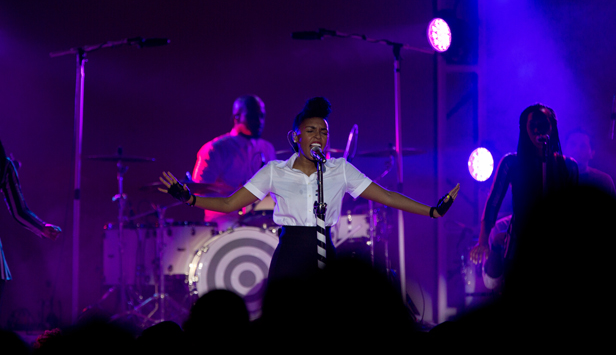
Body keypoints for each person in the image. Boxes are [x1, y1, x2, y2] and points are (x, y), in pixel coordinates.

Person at [161, 97, 460, 283]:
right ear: (296, 137)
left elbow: (388, 196)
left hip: (324, 249)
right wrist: (189, 197)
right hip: (290, 253)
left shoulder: (339, 169)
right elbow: (229, 204)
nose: (319, 136)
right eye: (311, 130)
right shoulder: (275, 171)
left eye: (324, 131)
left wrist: (432, 211)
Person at [470, 104, 578, 273]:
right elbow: (493, 203)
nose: (537, 130)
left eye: (542, 124)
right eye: (532, 125)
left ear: (552, 127)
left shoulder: (568, 166)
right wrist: (483, 241)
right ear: (524, 129)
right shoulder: (511, 163)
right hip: (518, 246)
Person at [191, 95, 276, 230]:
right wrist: (234, 198)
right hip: (223, 220)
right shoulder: (215, 149)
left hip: (258, 218)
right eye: (253, 116)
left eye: (262, 116)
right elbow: (197, 191)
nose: (259, 121)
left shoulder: (267, 148)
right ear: (237, 117)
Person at [0, 140, 62, 306]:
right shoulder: (5, 165)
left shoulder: (5, 165)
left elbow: (19, 210)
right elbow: (19, 211)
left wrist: (42, 227)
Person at [564, 127, 615, 197]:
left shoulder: (604, 181)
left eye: (583, 146)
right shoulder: (554, 176)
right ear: (564, 149)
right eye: (573, 144)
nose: (577, 149)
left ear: (592, 153)